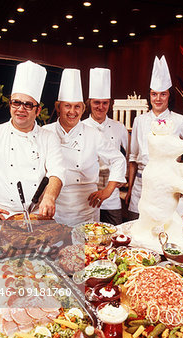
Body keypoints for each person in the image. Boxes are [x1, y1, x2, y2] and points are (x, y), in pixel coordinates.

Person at [0, 60, 64, 221]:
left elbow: (57, 171)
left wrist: (49, 196)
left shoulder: (49, 137)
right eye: (16, 102)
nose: (20, 109)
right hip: (4, 215)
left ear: (38, 111)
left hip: (38, 216)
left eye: (28, 105)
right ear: (10, 105)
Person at [126, 55, 183, 220]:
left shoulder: (180, 121)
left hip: (166, 184)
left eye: (162, 94)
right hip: (140, 186)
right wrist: (129, 189)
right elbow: (133, 159)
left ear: (169, 96)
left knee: (163, 227)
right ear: (149, 96)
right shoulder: (139, 121)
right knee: (136, 227)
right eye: (154, 94)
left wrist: (180, 174)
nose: (157, 99)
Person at [44, 68, 126, 227]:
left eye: (77, 107)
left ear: (83, 108)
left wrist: (108, 190)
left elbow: (118, 159)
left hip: (86, 207)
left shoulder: (93, 134)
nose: (72, 112)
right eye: (67, 106)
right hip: (55, 205)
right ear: (58, 106)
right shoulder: (45, 132)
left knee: (88, 249)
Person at [82, 68, 128, 225]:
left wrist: (124, 176)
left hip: (112, 193)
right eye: (96, 102)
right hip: (87, 193)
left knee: (115, 233)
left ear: (110, 103)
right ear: (89, 103)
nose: (100, 107)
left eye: (104, 103)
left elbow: (128, 155)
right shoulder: (81, 127)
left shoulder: (119, 127)